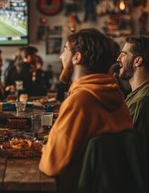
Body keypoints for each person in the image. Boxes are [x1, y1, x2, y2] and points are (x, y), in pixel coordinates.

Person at [39, 29, 133, 192]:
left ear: (77, 57)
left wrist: (45, 148)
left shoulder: (80, 101)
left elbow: (51, 165)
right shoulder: (116, 95)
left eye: (65, 50)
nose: (61, 57)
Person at [117, 36, 149, 193]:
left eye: (123, 54)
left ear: (138, 61)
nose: (118, 58)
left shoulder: (144, 101)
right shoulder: (147, 91)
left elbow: (129, 156)